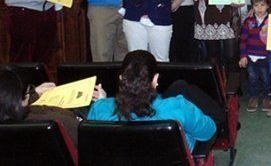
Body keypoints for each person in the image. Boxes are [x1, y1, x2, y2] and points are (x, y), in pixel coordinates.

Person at [87, 50, 217, 152]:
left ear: (121, 78)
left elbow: (93, 144)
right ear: (155, 79)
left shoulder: (100, 109)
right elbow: (208, 131)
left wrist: (102, 102)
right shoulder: (177, 107)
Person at [0, 69, 89, 146]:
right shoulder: (58, 121)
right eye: (29, 91)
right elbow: (90, 137)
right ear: (22, 98)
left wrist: (34, 93)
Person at [239, 0, 271, 113]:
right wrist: (243, 56)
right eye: (256, 5)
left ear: (268, 6)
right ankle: (253, 97)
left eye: (262, 5)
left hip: (266, 56)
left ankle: (267, 97)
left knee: (266, 78)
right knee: (253, 78)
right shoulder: (248, 22)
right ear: (252, 6)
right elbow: (242, 40)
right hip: (250, 57)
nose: (259, 8)